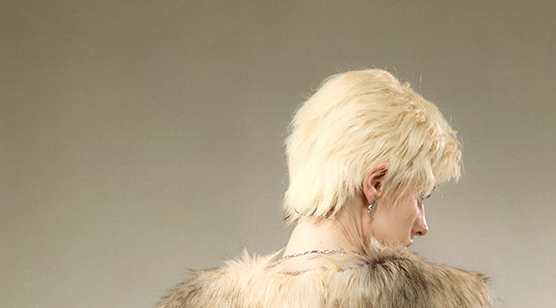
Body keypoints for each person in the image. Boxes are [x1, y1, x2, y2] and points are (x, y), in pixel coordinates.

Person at [157, 69, 494, 307]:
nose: (422, 225)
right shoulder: (443, 300)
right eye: (419, 196)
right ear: (376, 183)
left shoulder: (202, 303)